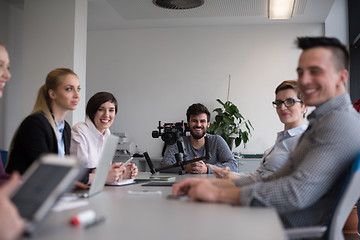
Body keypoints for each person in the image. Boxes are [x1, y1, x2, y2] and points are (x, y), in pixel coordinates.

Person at [172, 37, 360, 228]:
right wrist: (212, 185)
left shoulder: (338, 123)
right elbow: (272, 179)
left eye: (315, 71)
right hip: (270, 219)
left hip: (282, 228)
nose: (303, 81)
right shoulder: (323, 122)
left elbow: (295, 193)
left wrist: (218, 193)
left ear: (342, 77)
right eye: (301, 72)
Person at [210, 80, 307, 179]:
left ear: (304, 106)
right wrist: (230, 175)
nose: (282, 107)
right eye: (278, 103)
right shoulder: (282, 140)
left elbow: (294, 185)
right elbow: (259, 176)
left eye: (290, 101)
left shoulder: (306, 140)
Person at [6, 68, 80, 175]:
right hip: (24, 189)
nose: (77, 95)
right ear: (52, 94)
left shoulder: (65, 128)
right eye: (69, 89)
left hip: (49, 189)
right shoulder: (34, 124)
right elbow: (45, 171)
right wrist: (91, 178)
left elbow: (64, 170)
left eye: (78, 89)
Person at [71, 92, 138, 184]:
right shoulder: (80, 131)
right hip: (81, 190)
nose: (106, 115)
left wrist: (122, 172)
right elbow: (81, 173)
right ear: (92, 111)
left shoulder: (107, 133)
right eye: (101, 109)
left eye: (111, 110)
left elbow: (104, 171)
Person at [160, 103, 237, 174]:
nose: (198, 125)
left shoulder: (217, 140)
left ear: (208, 124)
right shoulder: (179, 141)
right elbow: (163, 166)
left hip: (211, 186)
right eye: (194, 121)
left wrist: (207, 169)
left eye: (202, 121)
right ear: (188, 123)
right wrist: (185, 167)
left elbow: (233, 166)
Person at [0, 41, 25, 240]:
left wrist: (24, 184)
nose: (7, 76)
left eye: (7, 67)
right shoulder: (35, 124)